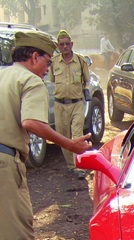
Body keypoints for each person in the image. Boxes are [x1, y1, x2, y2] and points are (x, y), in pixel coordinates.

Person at [0, 31, 92, 240]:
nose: (47, 68)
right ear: (34, 56)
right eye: (47, 61)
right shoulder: (30, 81)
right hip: (4, 163)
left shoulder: (3, 77)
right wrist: (69, 144)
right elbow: (30, 122)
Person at [51, 30, 91, 179]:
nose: (65, 47)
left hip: (77, 103)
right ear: (58, 46)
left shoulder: (80, 61)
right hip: (59, 104)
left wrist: (86, 91)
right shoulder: (54, 61)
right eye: (62, 44)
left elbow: (87, 80)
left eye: (68, 44)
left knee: (76, 135)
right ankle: (70, 165)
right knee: (64, 136)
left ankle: (79, 166)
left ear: (72, 44)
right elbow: (52, 80)